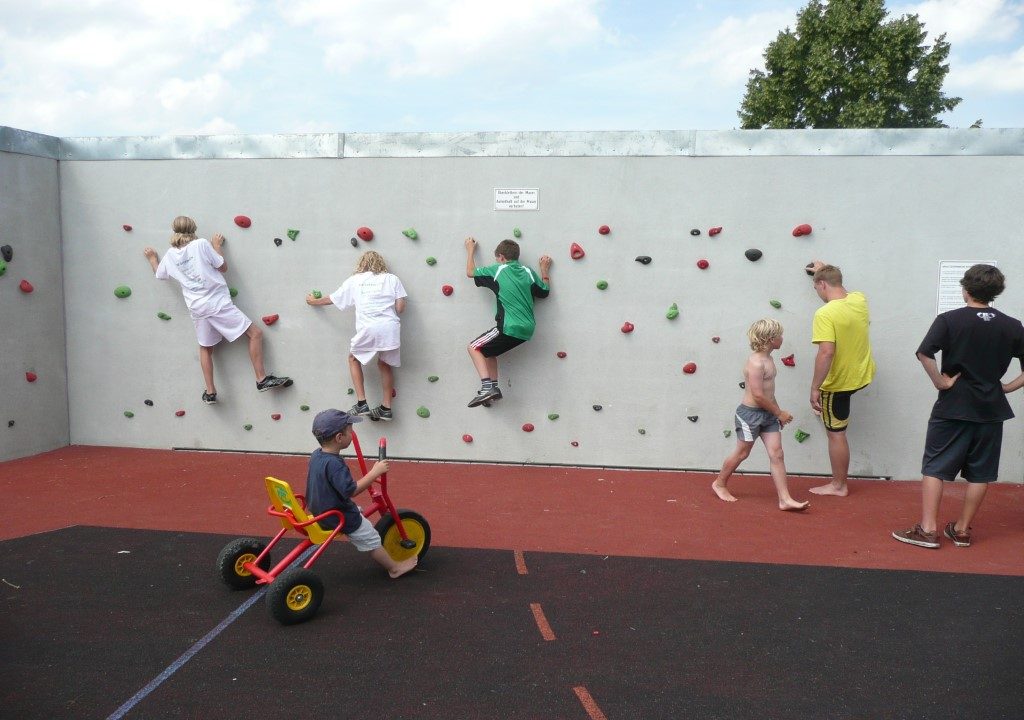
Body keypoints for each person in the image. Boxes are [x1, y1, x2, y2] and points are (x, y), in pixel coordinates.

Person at [893, 265, 1024, 549]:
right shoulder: (1013, 325)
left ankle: (928, 530)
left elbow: (924, 353)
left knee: (935, 467)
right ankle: (962, 530)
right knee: (981, 472)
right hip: (991, 409)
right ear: (996, 293)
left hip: (954, 405)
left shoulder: (950, 320)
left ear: (965, 289)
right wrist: (1005, 387)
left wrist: (940, 382)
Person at [143, 216, 291, 404]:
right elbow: (223, 267)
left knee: (205, 348)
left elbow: (160, 274)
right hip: (216, 304)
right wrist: (216, 245)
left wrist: (152, 258)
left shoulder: (171, 255)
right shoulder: (201, 245)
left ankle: (210, 392)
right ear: (193, 229)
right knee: (256, 334)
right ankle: (261, 379)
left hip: (197, 309)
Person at [305, 408, 418, 577]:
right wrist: (374, 473)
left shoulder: (317, 455)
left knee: (355, 509)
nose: (353, 434)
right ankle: (394, 568)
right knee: (371, 538)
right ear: (339, 438)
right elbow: (351, 490)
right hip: (336, 516)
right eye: (350, 431)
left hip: (319, 508)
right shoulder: (335, 464)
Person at [712, 319, 810, 511]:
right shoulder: (755, 363)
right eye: (779, 335)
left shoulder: (769, 359)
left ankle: (785, 499)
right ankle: (719, 483)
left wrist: (777, 413)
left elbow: (769, 392)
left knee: (777, 454)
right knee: (743, 453)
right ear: (770, 338)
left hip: (768, 414)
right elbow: (757, 395)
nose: (782, 338)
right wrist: (779, 412)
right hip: (749, 415)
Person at [307, 251, 407, 422]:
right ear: (381, 263)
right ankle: (386, 408)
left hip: (369, 327)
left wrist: (312, 301)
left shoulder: (355, 280)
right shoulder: (392, 279)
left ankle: (361, 403)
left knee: (353, 359)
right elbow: (400, 308)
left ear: (361, 263)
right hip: (390, 328)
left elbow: (333, 299)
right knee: (384, 364)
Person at [806, 260, 876, 496]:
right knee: (837, 425)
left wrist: (815, 388)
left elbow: (826, 352)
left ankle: (839, 485)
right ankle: (838, 483)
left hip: (837, 384)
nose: (817, 293)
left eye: (816, 287)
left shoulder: (825, 313)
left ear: (822, 284)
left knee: (836, 434)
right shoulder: (859, 300)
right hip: (861, 376)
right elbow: (844, 289)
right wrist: (825, 270)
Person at [464, 237, 552, 407]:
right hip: (527, 329)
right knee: (488, 352)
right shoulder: (528, 272)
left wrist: (470, 249)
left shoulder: (498, 270)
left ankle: (487, 387)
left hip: (508, 326)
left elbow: (470, 272)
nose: (497, 261)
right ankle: (494, 390)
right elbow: (544, 292)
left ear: (502, 257)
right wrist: (544, 270)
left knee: (473, 347)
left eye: (497, 258)